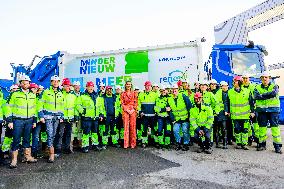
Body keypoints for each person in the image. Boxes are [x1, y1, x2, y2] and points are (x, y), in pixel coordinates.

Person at [7, 75, 38, 168]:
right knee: (16, 140)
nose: (25, 83)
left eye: (27, 82)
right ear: (20, 84)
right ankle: (14, 160)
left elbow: (34, 109)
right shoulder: (15, 94)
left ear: (29, 83)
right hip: (17, 121)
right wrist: (10, 121)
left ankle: (27, 157)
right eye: (23, 82)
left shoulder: (32, 95)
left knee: (27, 139)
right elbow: (8, 107)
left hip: (29, 121)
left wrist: (34, 121)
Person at [254, 71, 282, 154]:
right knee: (262, 129)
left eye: (266, 77)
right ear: (261, 79)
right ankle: (262, 145)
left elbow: (273, 93)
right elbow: (256, 96)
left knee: (275, 129)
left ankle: (277, 147)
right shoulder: (257, 87)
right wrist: (267, 95)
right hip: (262, 111)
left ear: (269, 78)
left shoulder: (275, 86)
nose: (264, 79)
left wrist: (262, 95)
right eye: (263, 77)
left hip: (273, 110)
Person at [38, 75, 65, 163]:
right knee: (50, 134)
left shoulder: (61, 93)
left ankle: (49, 149)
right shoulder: (45, 92)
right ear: (51, 82)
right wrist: (41, 115)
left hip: (57, 117)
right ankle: (51, 154)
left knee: (53, 134)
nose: (55, 83)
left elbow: (62, 106)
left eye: (57, 81)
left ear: (59, 83)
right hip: (48, 117)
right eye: (54, 81)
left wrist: (61, 116)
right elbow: (39, 104)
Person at [228, 76, 255, 150]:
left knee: (245, 130)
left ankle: (244, 144)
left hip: (245, 115)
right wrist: (227, 111)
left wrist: (252, 112)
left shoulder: (247, 91)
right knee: (237, 130)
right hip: (235, 115)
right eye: (234, 81)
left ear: (239, 82)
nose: (234, 83)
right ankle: (238, 143)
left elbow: (251, 102)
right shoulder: (230, 92)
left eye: (235, 81)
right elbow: (227, 102)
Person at [54, 78, 78, 155]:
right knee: (60, 134)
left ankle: (67, 148)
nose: (67, 87)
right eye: (65, 85)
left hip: (70, 118)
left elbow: (75, 107)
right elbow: (57, 107)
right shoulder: (60, 94)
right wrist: (59, 116)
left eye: (68, 86)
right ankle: (58, 150)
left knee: (68, 134)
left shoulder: (73, 95)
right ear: (63, 86)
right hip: (62, 118)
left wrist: (76, 117)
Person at [76, 81, 101, 153]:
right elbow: (77, 105)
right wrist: (83, 111)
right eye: (89, 86)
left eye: (92, 86)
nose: (91, 88)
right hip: (86, 118)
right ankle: (85, 146)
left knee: (95, 132)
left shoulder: (97, 96)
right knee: (86, 133)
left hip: (95, 117)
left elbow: (100, 106)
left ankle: (95, 145)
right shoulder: (82, 96)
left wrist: (101, 114)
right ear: (86, 87)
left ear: (93, 87)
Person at [168, 84, 192, 151]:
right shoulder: (169, 99)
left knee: (185, 130)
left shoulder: (183, 96)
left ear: (178, 89)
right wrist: (173, 119)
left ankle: (186, 144)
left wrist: (189, 117)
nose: (174, 91)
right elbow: (169, 110)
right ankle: (178, 143)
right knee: (175, 130)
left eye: (175, 89)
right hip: (176, 119)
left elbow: (189, 107)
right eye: (172, 90)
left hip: (185, 118)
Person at [138, 81, 158, 147]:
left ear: (151, 87)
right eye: (146, 86)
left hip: (153, 115)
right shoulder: (141, 94)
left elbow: (157, 104)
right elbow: (138, 104)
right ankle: (144, 142)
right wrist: (140, 112)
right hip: (144, 116)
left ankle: (156, 141)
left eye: (149, 86)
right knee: (144, 129)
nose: (148, 87)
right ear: (145, 86)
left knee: (154, 129)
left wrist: (157, 112)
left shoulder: (155, 94)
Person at [242, 74, 259, 146]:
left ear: (249, 79)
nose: (245, 80)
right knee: (247, 126)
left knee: (256, 126)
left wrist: (253, 111)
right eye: (244, 78)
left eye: (247, 78)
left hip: (254, 109)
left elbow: (255, 99)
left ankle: (258, 141)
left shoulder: (253, 87)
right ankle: (249, 140)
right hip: (245, 110)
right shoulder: (241, 88)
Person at [120, 81, 138, 148]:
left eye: (130, 84)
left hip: (133, 111)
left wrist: (133, 109)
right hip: (125, 111)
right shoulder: (122, 94)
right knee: (126, 127)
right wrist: (126, 109)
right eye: (127, 84)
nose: (128, 85)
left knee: (132, 127)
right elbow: (122, 103)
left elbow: (136, 102)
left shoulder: (134, 93)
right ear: (125, 85)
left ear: (131, 85)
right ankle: (126, 144)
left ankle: (132, 144)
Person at [215, 81, 230, 149]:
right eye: (223, 86)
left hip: (220, 113)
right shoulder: (221, 93)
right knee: (223, 129)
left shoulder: (226, 92)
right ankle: (223, 144)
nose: (225, 87)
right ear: (221, 87)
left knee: (221, 129)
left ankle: (221, 144)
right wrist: (226, 111)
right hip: (221, 113)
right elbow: (225, 103)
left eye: (226, 86)